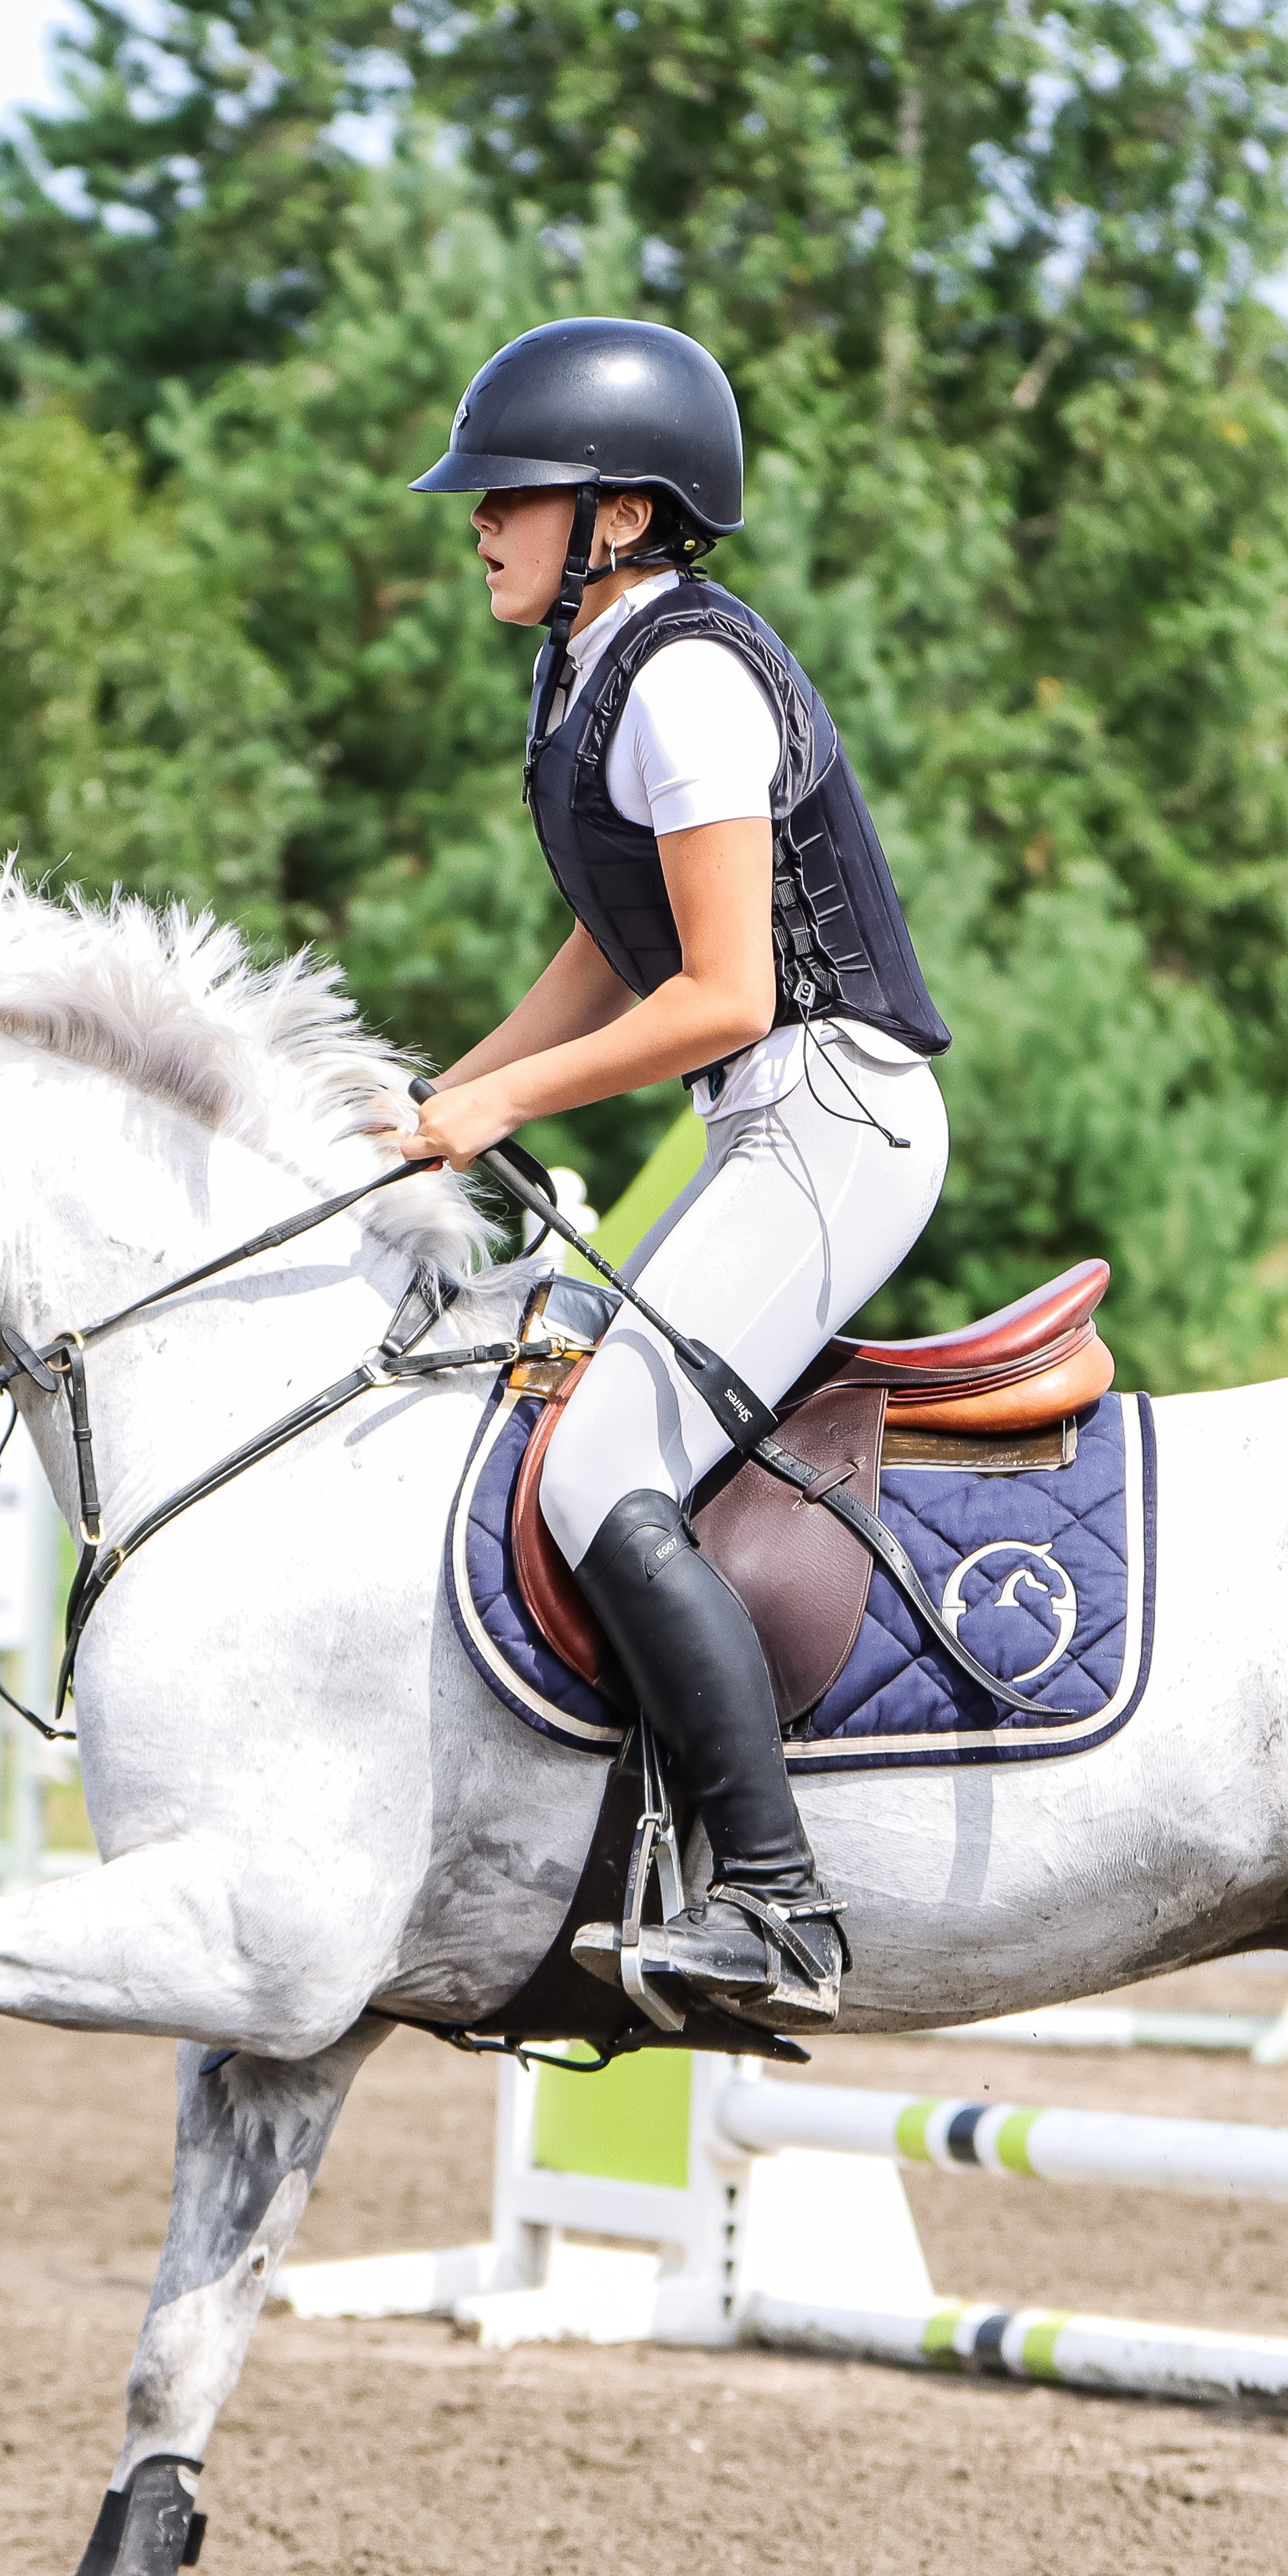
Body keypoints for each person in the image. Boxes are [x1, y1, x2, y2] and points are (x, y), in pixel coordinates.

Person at [370, 318, 951, 2024]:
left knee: (597, 1466)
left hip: (834, 1112)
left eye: (512, 496)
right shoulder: (597, 663)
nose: (479, 521)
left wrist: (498, 1104)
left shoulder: (686, 678)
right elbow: (607, 944)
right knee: (541, 1404)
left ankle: (778, 1903)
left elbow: (721, 994)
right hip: (765, 1119)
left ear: (618, 516)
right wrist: (444, 1093)